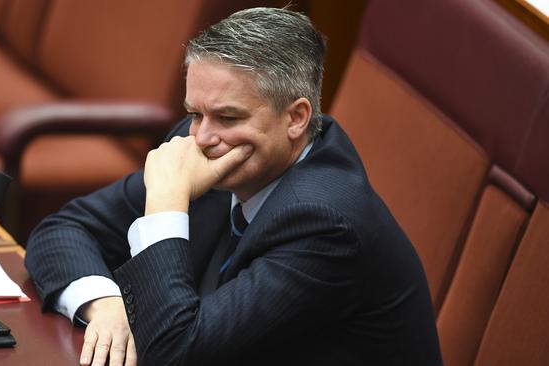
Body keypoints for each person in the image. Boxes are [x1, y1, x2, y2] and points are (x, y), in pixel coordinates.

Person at [25, 7, 443, 366]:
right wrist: (106, 306)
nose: (203, 138)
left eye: (228, 117)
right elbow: (63, 230)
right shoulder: (211, 147)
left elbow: (176, 352)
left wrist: (166, 206)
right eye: (195, 114)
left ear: (296, 118)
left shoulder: (326, 224)